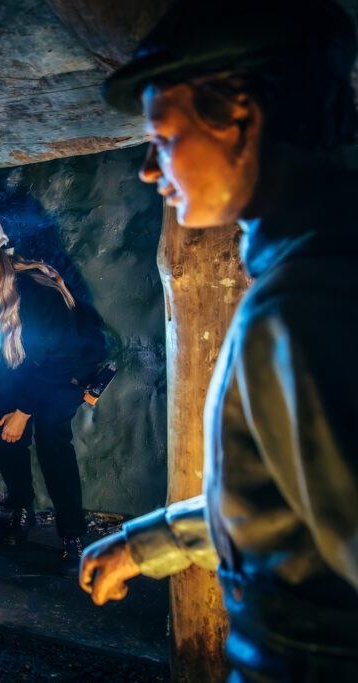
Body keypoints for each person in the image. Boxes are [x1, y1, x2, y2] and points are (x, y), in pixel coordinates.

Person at [78, 0, 358, 678]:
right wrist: (143, 546)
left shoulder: (308, 302)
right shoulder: (311, 274)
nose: (150, 167)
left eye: (165, 138)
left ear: (241, 118)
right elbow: (286, 509)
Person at [0, 209, 108, 575]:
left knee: (51, 431)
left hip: (65, 369)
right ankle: (21, 508)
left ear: (1, 257)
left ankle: (72, 534)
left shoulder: (36, 289)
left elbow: (60, 358)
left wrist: (24, 411)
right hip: (23, 373)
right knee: (4, 432)